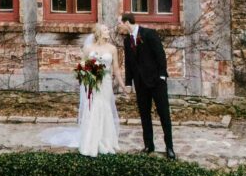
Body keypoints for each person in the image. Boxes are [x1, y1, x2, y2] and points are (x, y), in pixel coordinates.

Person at [119, 13, 174, 158]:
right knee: (144, 115)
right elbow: (129, 63)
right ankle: (149, 145)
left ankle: (170, 147)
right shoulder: (127, 41)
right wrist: (128, 83)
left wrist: (162, 76)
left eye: (120, 23)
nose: (119, 27)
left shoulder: (149, 34)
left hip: (157, 82)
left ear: (126, 22)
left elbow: (160, 55)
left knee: (164, 114)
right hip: (140, 83)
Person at [74, 22, 121, 157]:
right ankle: (91, 142)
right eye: (106, 30)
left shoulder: (112, 49)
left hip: (105, 83)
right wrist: (87, 74)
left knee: (105, 107)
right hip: (93, 83)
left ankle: (105, 141)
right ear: (99, 33)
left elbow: (116, 69)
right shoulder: (88, 48)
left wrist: (122, 85)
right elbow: (82, 65)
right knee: (93, 108)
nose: (108, 31)